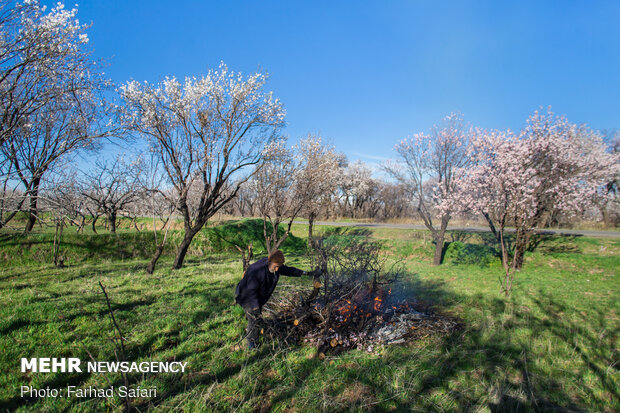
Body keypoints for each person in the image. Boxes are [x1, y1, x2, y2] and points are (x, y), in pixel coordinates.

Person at [235, 250, 321, 348]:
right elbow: (250, 291)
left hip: (258, 296)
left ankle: (257, 332)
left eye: (278, 267)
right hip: (246, 296)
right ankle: (251, 345)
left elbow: (290, 271)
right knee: (254, 319)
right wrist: (255, 307)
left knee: (256, 319)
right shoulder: (256, 271)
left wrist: (308, 273)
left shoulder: (276, 266)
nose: (277, 270)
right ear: (269, 262)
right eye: (275, 267)